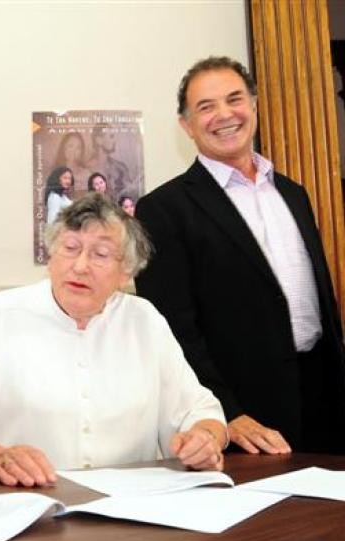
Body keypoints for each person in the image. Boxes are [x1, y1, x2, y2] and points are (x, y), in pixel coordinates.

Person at [0, 193, 227, 487]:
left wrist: (205, 439)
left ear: (126, 272)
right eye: (70, 248)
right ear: (51, 257)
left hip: (130, 510)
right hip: (27, 503)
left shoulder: (144, 320)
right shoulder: (0, 315)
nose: (81, 266)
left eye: (100, 254)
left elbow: (199, 412)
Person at [135, 56, 345, 455]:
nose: (224, 114)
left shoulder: (293, 193)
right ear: (186, 125)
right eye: (206, 107)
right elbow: (172, 331)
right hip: (244, 419)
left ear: (254, 106)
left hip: (324, 402)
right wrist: (224, 413)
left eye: (234, 99)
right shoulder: (162, 210)